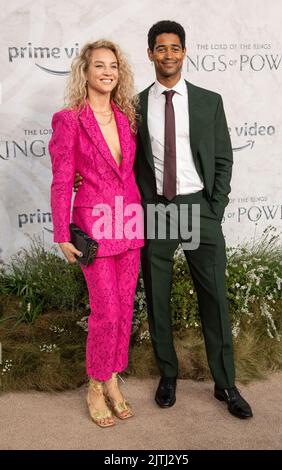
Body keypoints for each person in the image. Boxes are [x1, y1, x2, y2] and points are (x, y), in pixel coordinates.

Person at [75, 21, 253, 420]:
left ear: (184, 52)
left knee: (214, 298)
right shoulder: (133, 106)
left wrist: (214, 209)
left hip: (198, 208)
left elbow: (223, 159)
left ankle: (225, 383)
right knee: (157, 298)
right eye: (161, 48)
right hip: (155, 210)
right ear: (151, 53)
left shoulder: (209, 101)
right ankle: (167, 374)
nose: (168, 54)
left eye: (175, 48)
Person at [49, 39, 144, 428]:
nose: (108, 72)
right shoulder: (69, 119)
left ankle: (113, 379)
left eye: (114, 67)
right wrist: (61, 233)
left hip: (130, 223)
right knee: (105, 310)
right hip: (95, 227)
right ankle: (95, 383)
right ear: (85, 72)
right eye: (100, 66)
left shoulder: (126, 117)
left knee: (123, 308)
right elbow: (60, 179)